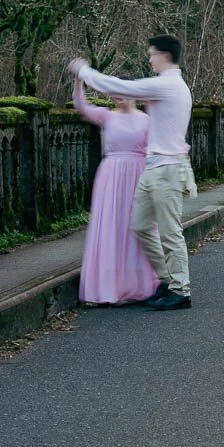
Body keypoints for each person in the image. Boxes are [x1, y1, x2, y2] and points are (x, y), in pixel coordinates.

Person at [69, 35, 194, 311]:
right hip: (153, 169)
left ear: (164, 55)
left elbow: (121, 87)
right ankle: (166, 280)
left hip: (167, 168)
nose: (149, 60)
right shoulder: (166, 86)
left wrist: (84, 71)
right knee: (139, 226)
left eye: (151, 55)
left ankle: (181, 289)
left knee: (170, 232)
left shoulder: (168, 85)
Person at [71, 78, 161, 305]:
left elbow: (155, 150)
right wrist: (79, 81)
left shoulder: (147, 120)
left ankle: (138, 285)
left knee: (137, 227)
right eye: (114, 93)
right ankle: (110, 287)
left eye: (122, 92)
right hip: (111, 177)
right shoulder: (107, 116)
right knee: (111, 225)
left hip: (138, 174)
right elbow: (81, 106)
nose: (117, 96)